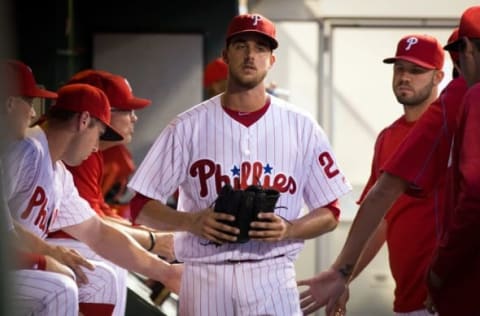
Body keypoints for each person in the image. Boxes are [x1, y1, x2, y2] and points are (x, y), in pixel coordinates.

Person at [128, 13, 351, 316]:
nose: (250, 55)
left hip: (272, 275)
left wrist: (291, 228)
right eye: (241, 45)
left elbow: (331, 211)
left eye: (261, 48)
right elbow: (140, 206)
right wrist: (189, 222)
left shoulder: (302, 127)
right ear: (225, 55)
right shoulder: (187, 126)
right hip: (205, 278)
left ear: (272, 60)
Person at [296, 27, 469, 316]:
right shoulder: (387, 137)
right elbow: (380, 219)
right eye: (399, 68)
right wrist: (344, 277)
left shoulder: (454, 127)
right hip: (406, 298)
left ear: (439, 77)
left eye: (416, 70)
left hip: (446, 295)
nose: (404, 77)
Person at [3, 83, 183, 316]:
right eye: (98, 134)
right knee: (60, 288)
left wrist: (165, 272)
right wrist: (48, 253)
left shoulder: (60, 175)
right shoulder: (27, 148)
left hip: (20, 264)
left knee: (100, 279)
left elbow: (97, 232)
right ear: (84, 121)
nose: (97, 146)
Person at [46, 69, 175, 316]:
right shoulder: (69, 155)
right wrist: (152, 241)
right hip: (35, 249)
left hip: (43, 246)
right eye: (127, 110)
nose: (135, 118)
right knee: (105, 268)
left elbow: (96, 221)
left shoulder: (81, 156)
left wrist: (150, 240)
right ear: (89, 117)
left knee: (108, 266)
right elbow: (95, 225)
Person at [2, 59, 89, 315]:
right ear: (9, 104)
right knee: (59, 288)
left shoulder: (53, 166)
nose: (32, 113)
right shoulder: (24, 149)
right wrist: (43, 260)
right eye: (28, 102)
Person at [426, 6, 480, 315]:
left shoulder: (475, 96)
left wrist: (439, 269)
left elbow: (474, 193)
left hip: (469, 286)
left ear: (468, 47)